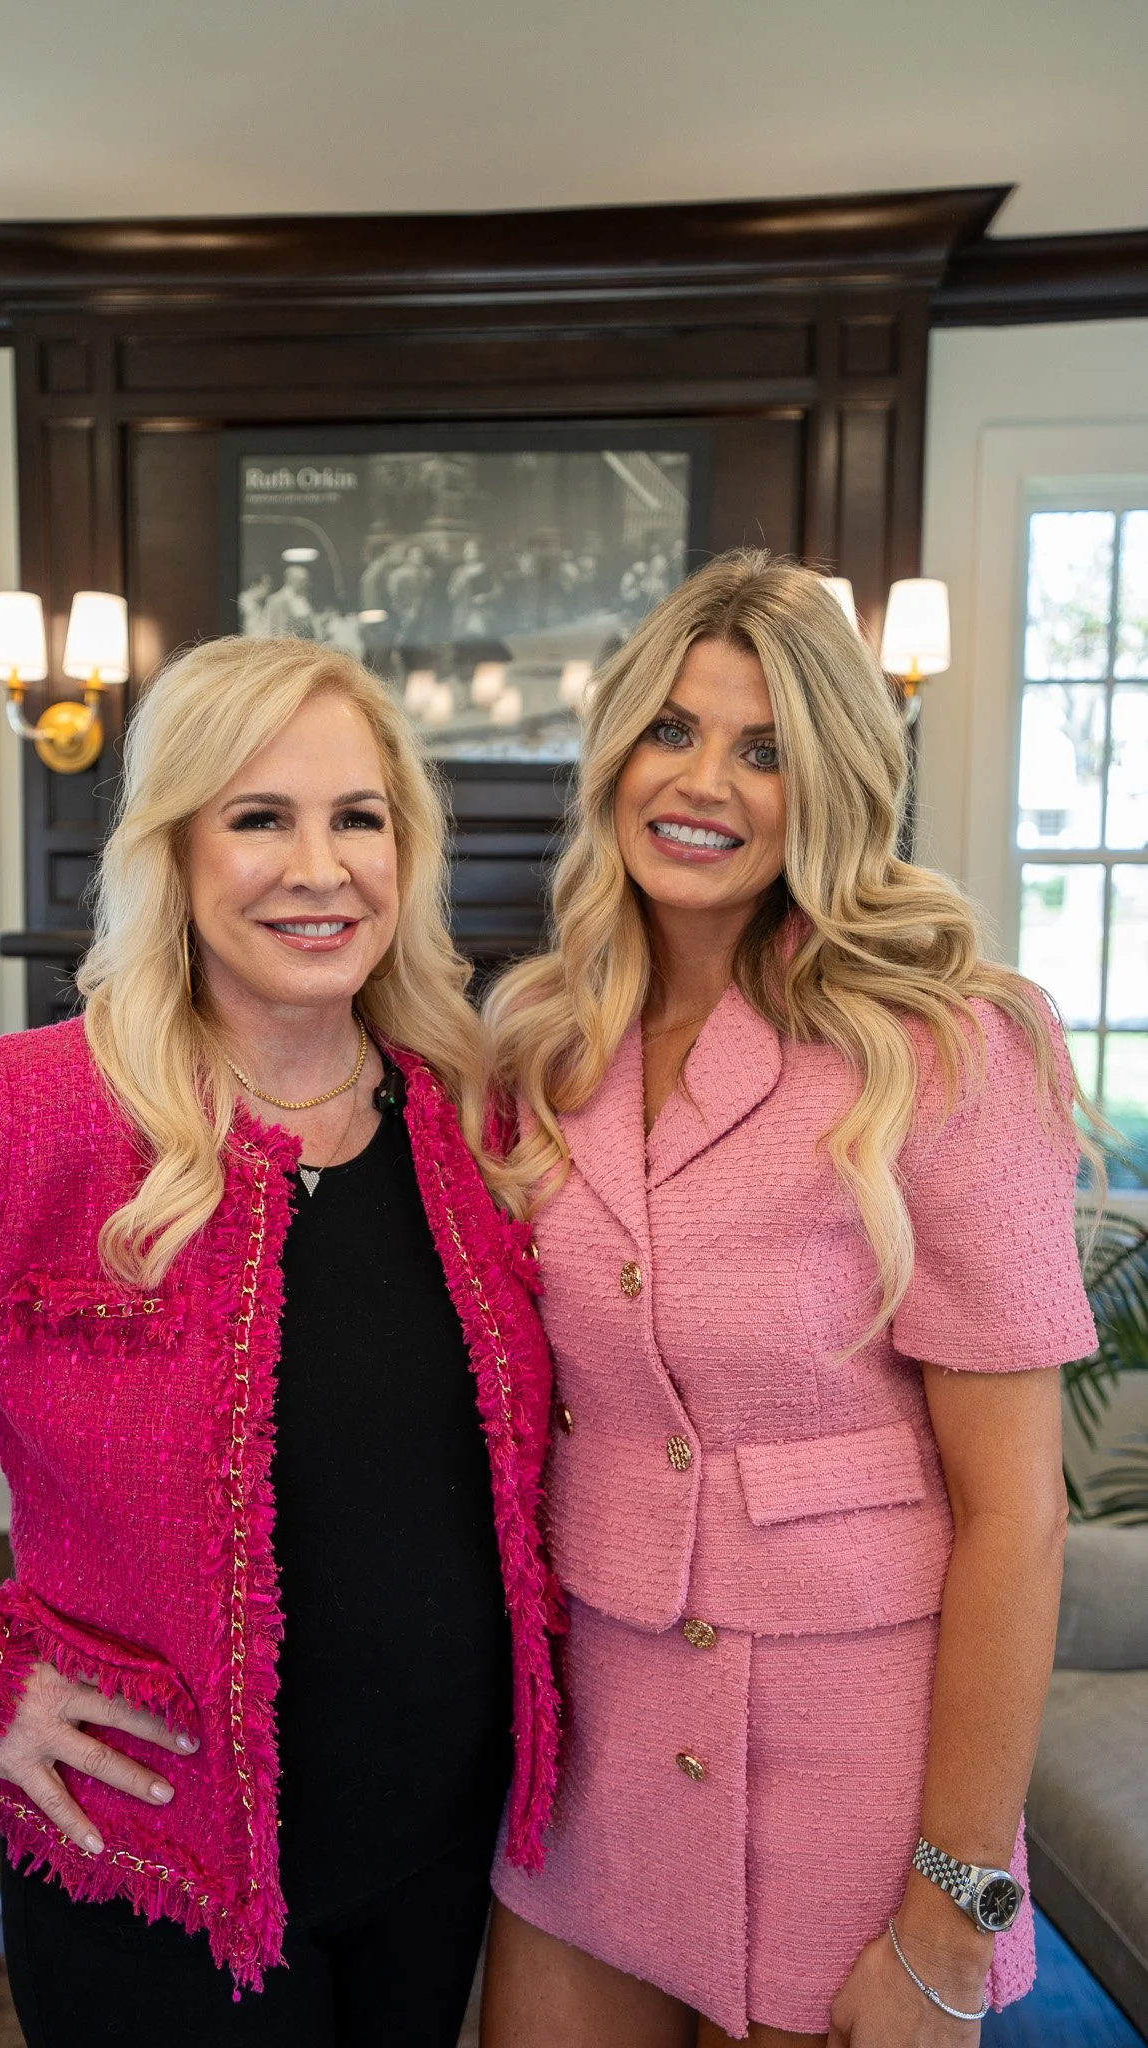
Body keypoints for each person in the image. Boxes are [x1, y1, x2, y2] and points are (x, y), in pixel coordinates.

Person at [0, 637, 561, 2048]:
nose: (318, 868)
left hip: (446, 1859)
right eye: (259, 817)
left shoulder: (473, 1114)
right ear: (177, 853)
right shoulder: (43, 1120)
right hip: (154, 1873)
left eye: (359, 818)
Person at [479, 551, 1096, 2047]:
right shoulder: (538, 1041)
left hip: (858, 1781)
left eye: (767, 748)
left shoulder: (949, 1048)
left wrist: (956, 1911)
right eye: (673, 730)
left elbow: (1019, 1515)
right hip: (590, 1758)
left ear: (833, 782)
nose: (707, 781)